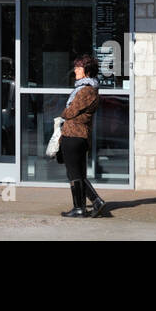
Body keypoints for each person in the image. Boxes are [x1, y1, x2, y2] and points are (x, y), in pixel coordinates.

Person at [59, 54, 105, 218]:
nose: (75, 70)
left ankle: (86, 205)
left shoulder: (87, 90)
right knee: (76, 173)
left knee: (74, 174)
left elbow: (71, 111)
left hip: (75, 135)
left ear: (87, 70)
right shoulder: (84, 88)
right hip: (75, 135)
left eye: (79, 67)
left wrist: (63, 113)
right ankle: (86, 205)